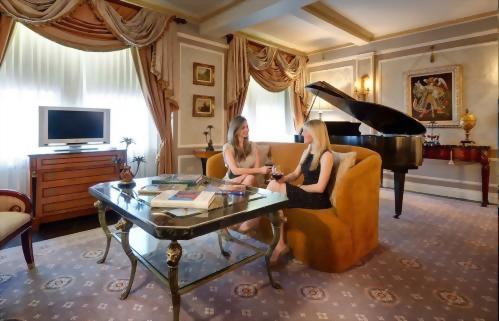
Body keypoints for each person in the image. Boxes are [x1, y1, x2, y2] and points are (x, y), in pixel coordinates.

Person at [240, 119, 334, 265]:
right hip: (305, 192)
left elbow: (320, 187)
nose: (302, 133)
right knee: (275, 184)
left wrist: (298, 188)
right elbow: (295, 175)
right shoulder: (307, 151)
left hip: (317, 198)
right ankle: (280, 244)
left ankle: (254, 220)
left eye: (305, 130)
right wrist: (283, 179)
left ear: (315, 133)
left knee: (274, 188)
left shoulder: (326, 155)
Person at [222, 115, 271, 187]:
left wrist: (243, 176)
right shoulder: (228, 147)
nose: (247, 129)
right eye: (243, 128)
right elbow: (235, 171)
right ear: (235, 130)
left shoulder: (253, 146)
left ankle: (231, 192)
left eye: (247, 127)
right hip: (232, 180)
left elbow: (256, 169)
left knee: (250, 179)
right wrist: (260, 170)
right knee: (247, 180)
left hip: (250, 181)